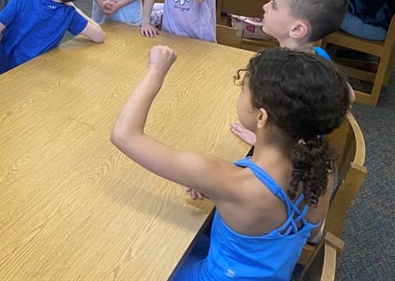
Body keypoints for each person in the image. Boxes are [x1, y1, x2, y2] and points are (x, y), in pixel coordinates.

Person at [111, 46, 351, 280]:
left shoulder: (232, 182)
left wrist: (156, 72)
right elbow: (308, 233)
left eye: (242, 90)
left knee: (128, 251)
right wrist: (222, 195)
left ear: (261, 117)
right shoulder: (322, 167)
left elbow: (125, 135)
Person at [230, 0, 349, 145]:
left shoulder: (286, 78)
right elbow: (348, 96)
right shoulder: (320, 56)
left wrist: (261, 141)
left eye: (273, 4)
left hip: (287, 156)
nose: (265, 7)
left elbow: (297, 136)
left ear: (297, 29)